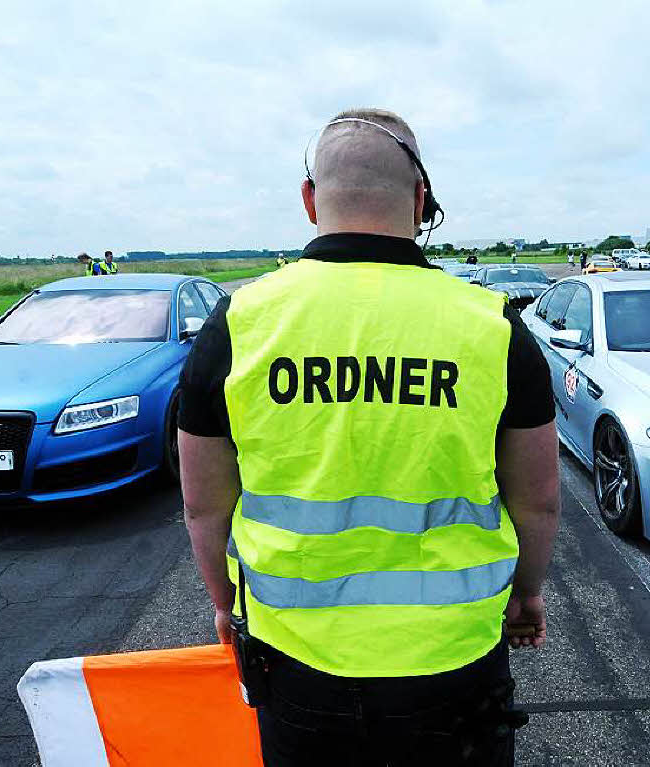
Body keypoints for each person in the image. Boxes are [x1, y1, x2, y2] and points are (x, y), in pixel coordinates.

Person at [177, 107, 560, 767]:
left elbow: (204, 505)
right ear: (419, 201)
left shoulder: (237, 324)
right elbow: (539, 500)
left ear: (309, 200)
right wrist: (526, 593)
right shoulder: (492, 327)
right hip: (454, 663)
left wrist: (223, 604)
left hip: (296, 664)